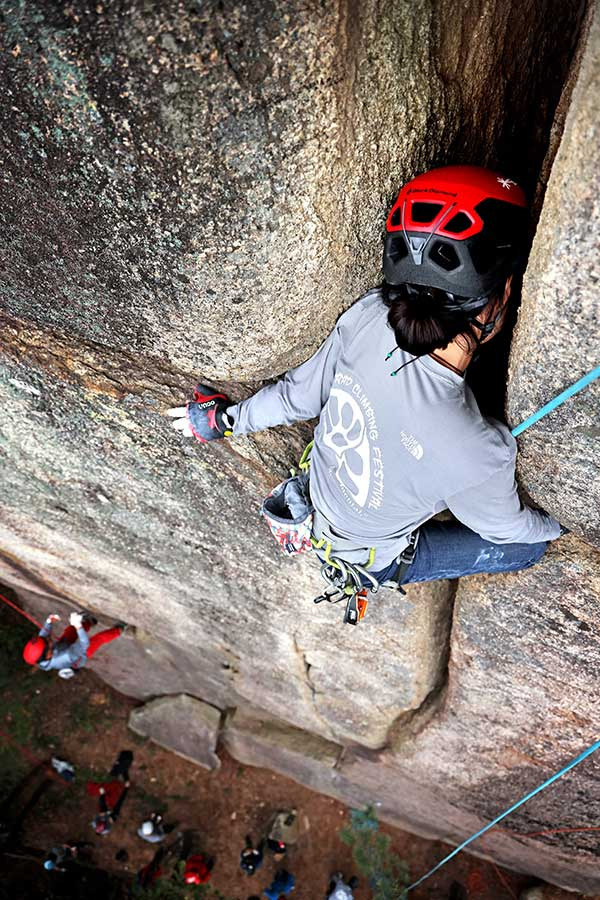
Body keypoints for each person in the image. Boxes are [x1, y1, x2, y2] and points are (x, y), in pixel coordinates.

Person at [168, 166, 563, 595]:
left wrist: (223, 421)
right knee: (532, 549)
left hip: (320, 495)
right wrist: (558, 526)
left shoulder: (370, 314)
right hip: (368, 554)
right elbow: (503, 526)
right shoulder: (482, 450)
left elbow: (299, 397)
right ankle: (376, 568)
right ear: (500, 296)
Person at [22, 611, 127, 678]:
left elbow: (43, 637)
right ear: (48, 654)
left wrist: (49, 622)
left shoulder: (42, 653)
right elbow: (84, 643)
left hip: (62, 647)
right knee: (98, 639)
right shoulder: (64, 657)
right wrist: (78, 626)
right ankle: (119, 629)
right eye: (48, 641)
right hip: (78, 656)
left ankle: (89, 622)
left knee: (70, 631)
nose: (49, 639)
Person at [87, 750, 133, 835]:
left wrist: (102, 794)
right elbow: (119, 802)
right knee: (117, 775)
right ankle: (124, 761)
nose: (101, 815)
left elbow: (102, 805)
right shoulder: (112, 816)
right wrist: (125, 789)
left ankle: (123, 761)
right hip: (114, 795)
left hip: (110, 795)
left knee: (115, 773)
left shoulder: (100, 819)